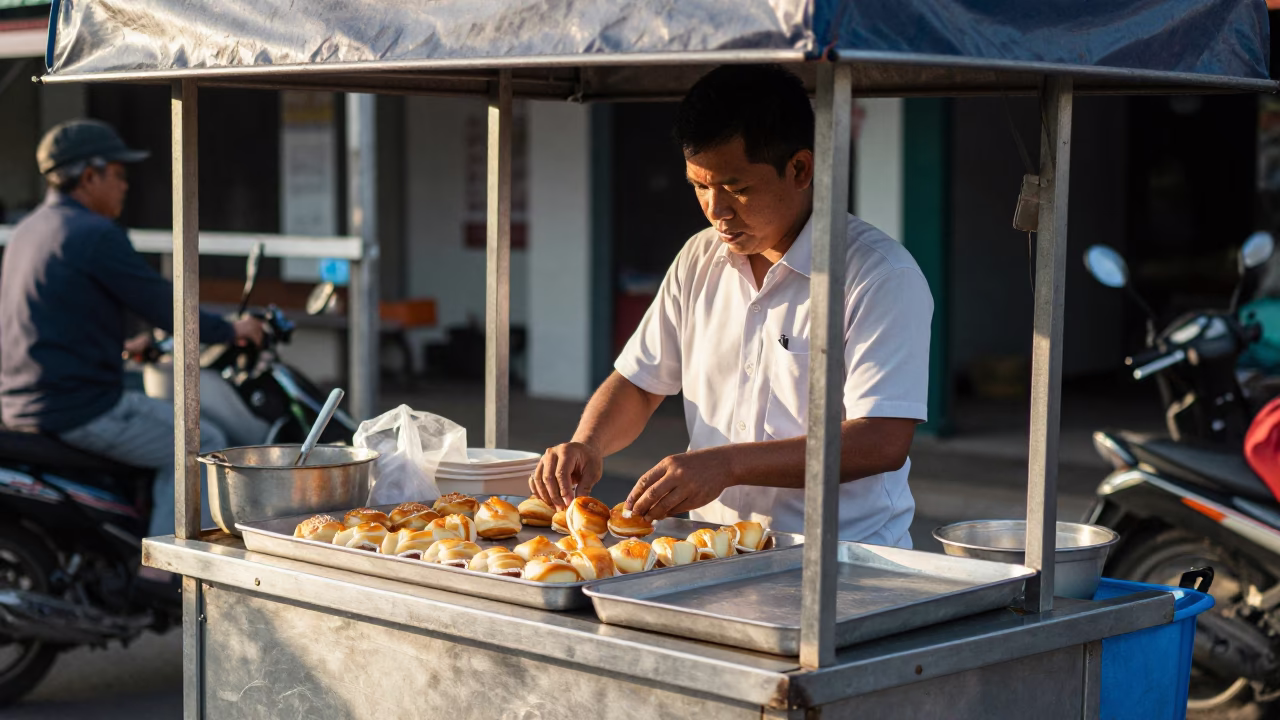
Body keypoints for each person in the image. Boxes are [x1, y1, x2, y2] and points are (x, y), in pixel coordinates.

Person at [529, 65, 933, 546]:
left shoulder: (879, 275)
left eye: (737, 189)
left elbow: (880, 441)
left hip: (844, 561)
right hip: (714, 550)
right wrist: (589, 443)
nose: (716, 211)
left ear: (800, 169)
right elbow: (640, 383)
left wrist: (727, 463)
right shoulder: (699, 257)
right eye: (700, 187)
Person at [0, 119, 265, 545]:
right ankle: (168, 573)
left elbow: (47, 318)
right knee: (201, 441)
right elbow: (165, 306)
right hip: (77, 406)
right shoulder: (93, 234)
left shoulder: (30, 230)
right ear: (89, 176)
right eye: (119, 175)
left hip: (22, 401)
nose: (125, 186)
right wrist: (231, 329)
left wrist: (121, 346)